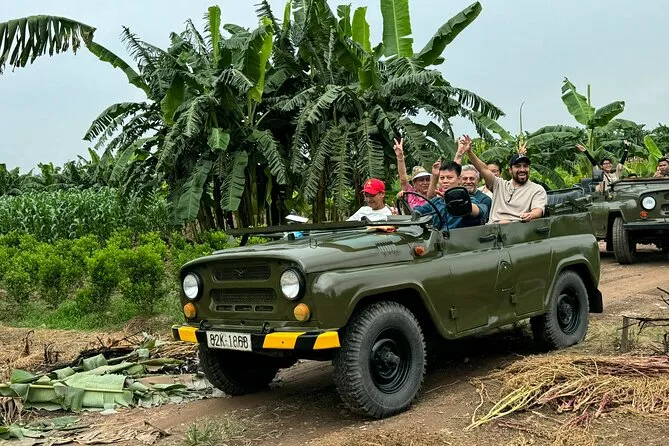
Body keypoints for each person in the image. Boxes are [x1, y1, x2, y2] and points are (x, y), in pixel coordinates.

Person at [463, 135, 547, 224]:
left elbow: (538, 210)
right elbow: (483, 169)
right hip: (493, 229)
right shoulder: (499, 185)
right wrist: (469, 152)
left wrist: (530, 215)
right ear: (510, 170)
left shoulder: (536, 189)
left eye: (525, 166)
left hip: (517, 227)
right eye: (518, 166)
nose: (522, 170)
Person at [408, 161, 488, 231]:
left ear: (459, 179)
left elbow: (481, 211)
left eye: (449, 178)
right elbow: (413, 213)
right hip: (436, 240)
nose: (445, 181)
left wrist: (454, 201)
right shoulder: (436, 201)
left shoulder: (468, 200)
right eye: (442, 178)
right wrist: (404, 201)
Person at [393, 137, 431, 206]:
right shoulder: (410, 193)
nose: (425, 183)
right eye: (421, 180)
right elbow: (403, 179)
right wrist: (400, 157)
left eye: (427, 179)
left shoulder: (434, 195)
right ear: (414, 182)